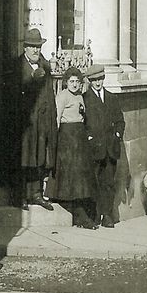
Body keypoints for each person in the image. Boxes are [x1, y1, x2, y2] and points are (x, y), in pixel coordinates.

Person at [10, 28, 56, 210]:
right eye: (32, 47)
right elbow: (13, 94)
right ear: (25, 47)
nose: (35, 50)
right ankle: (20, 195)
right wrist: (31, 78)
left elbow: (50, 95)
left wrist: (51, 118)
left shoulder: (45, 66)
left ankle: (36, 194)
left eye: (38, 47)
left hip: (41, 121)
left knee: (38, 157)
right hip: (24, 123)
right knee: (24, 157)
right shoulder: (17, 66)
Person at [47, 67, 96, 228]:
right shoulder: (62, 97)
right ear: (66, 82)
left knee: (81, 175)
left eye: (77, 81)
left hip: (79, 137)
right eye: (71, 81)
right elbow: (56, 119)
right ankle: (78, 213)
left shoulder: (80, 96)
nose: (74, 84)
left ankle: (82, 212)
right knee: (71, 174)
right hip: (67, 139)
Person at [83, 64, 124, 228]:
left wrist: (117, 135)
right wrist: (89, 138)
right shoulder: (85, 99)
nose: (98, 83)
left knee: (108, 182)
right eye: (94, 80)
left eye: (100, 79)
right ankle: (94, 214)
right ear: (90, 81)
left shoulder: (112, 98)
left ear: (103, 79)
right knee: (93, 182)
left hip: (110, 148)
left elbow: (120, 121)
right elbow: (82, 124)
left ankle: (107, 215)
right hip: (94, 149)